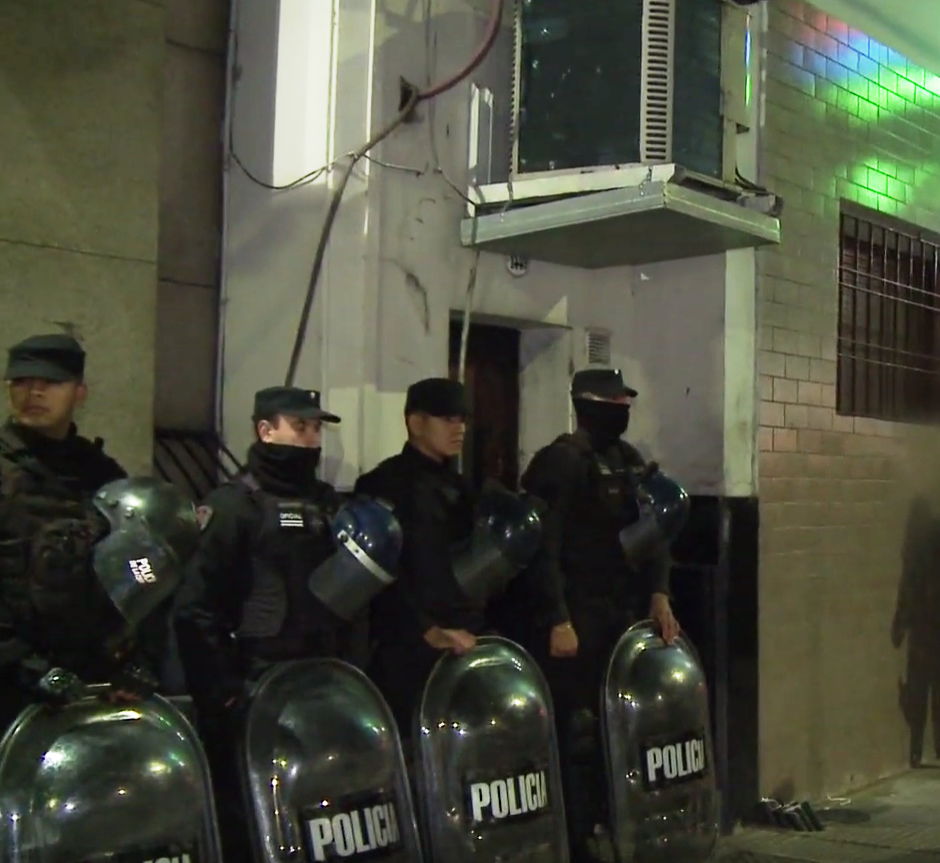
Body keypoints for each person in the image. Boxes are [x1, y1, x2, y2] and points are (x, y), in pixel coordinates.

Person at [171, 385, 354, 851]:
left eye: (316, 429)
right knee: (250, 827)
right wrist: (225, 695)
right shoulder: (234, 507)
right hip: (253, 690)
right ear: (265, 430)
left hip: (317, 692)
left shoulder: (328, 505)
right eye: (300, 427)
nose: (311, 440)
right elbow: (195, 610)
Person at [515, 368, 680, 859]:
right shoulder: (561, 462)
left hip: (620, 615)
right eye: (614, 403)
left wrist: (660, 593)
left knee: (619, 725)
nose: (622, 412)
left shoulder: (627, 462)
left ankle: (615, 822)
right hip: (577, 615)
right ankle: (576, 835)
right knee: (576, 730)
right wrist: (556, 617)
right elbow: (542, 546)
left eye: (626, 403)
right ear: (587, 405)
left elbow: (656, 531)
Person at [0, 333, 142, 727]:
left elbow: (133, 576)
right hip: (11, 682)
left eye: (50, 383)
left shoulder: (102, 475)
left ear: (80, 392)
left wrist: (129, 659)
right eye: (22, 382)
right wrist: (24, 665)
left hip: (86, 681)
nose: (34, 392)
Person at [354, 377, 484, 729]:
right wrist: (425, 630)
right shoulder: (384, 484)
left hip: (463, 641)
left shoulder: (461, 488)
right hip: (407, 648)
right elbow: (376, 577)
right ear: (416, 423)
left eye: (463, 419)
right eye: (448, 419)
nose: (459, 428)